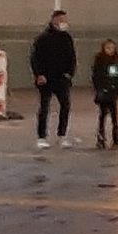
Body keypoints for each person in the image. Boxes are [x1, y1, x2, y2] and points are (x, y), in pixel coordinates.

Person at [30, 10, 77, 149]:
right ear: (54, 20)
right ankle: (42, 136)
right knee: (44, 107)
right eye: (61, 19)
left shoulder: (66, 38)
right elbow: (35, 58)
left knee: (65, 105)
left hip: (62, 78)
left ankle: (62, 135)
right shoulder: (43, 38)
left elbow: (72, 57)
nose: (63, 22)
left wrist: (69, 73)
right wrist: (39, 74)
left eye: (64, 20)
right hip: (46, 78)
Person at [90, 39, 118, 149]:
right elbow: (96, 76)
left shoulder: (116, 61)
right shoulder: (99, 61)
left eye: (112, 48)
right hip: (103, 92)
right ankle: (101, 134)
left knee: (114, 114)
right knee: (103, 114)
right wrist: (100, 89)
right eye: (107, 48)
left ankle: (116, 134)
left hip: (112, 92)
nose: (110, 50)